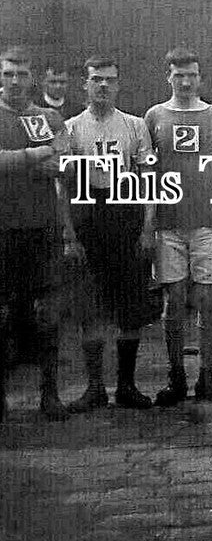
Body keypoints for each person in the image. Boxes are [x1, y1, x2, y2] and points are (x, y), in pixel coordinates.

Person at [62, 56, 156, 413]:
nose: (103, 85)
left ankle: (127, 385)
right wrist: (70, 234)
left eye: (110, 80)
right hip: (88, 214)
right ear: (85, 84)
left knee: (130, 306)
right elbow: (62, 187)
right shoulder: (71, 128)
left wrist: (147, 227)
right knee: (92, 307)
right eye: (96, 79)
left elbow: (149, 180)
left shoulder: (135, 125)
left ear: (118, 85)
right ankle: (95, 387)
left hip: (126, 214)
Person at [144, 48, 212, 406]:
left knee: (209, 300)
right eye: (179, 75)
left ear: (200, 77)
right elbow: (148, 171)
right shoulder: (154, 116)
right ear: (168, 77)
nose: (185, 81)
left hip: (207, 221)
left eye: (192, 75)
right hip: (169, 223)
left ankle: (208, 376)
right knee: (174, 300)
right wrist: (150, 221)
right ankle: (176, 377)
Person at [0, 46, 75, 420]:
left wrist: (53, 161)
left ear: (33, 78)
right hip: (2, 228)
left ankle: (50, 393)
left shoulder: (47, 116)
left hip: (43, 227)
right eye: (8, 73)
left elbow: (67, 163)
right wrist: (37, 155)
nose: (15, 81)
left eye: (22, 74)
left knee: (48, 311)